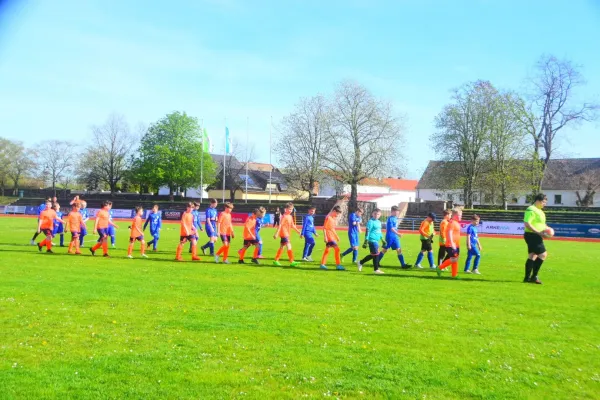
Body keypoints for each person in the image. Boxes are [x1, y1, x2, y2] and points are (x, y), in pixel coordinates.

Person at [523, 194, 549, 284]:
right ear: (538, 200)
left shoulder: (540, 211)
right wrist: (538, 232)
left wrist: (548, 229)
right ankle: (534, 276)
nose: (544, 204)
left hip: (536, 235)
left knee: (533, 256)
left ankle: (527, 278)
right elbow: (527, 223)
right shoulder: (531, 209)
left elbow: (542, 224)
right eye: (543, 202)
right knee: (543, 255)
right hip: (532, 235)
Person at [273, 202, 301, 267]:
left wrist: (298, 232)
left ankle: (276, 260)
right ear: (286, 209)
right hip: (284, 233)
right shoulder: (284, 216)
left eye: (291, 209)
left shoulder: (290, 216)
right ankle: (292, 261)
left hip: (287, 234)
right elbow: (280, 225)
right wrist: (276, 233)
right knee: (289, 246)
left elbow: (293, 225)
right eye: (289, 209)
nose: (290, 210)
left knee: (282, 247)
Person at [437, 209, 462, 279]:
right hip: (451, 245)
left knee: (455, 259)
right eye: (460, 215)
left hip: (456, 244)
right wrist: (452, 243)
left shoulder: (456, 223)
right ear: (455, 215)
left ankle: (454, 275)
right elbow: (449, 233)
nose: (461, 216)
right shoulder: (452, 223)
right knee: (454, 259)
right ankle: (439, 267)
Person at [358, 209, 384, 274]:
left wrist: (382, 240)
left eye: (378, 214)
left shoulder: (379, 222)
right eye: (375, 214)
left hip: (376, 240)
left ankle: (360, 262)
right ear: (372, 214)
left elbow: (379, 232)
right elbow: (367, 231)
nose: (376, 215)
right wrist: (366, 240)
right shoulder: (370, 222)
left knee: (373, 255)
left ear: (380, 215)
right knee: (376, 254)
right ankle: (376, 269)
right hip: (372, 240)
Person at [320, 205, 344, 270]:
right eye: (337, 213)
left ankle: (322, 264)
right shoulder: (328, 218)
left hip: (332, 237)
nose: (338, 215)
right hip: (329, 237)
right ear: (334, 211)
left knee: (327, 250)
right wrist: (325, 237)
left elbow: (332, 228)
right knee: (337, 249)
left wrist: (336, 236)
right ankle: (338, 265)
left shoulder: (333, 218)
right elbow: (324, 228)